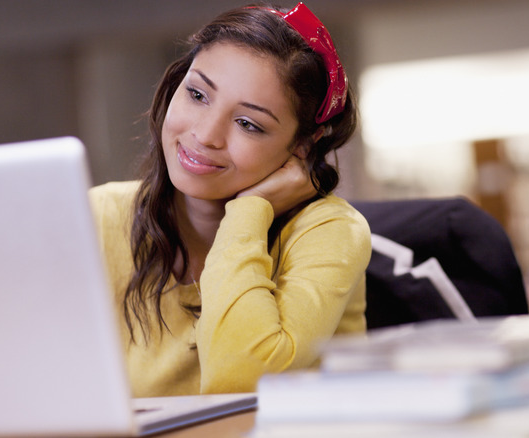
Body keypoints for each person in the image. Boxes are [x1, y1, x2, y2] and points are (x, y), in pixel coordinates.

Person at [88, 3, 371, 397]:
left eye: (248, 124)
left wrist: (250, 210)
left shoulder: (331, 231)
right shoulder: (95, 217)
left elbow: (241, 380)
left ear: (301, 146)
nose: (206, 135)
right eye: (198, 94)